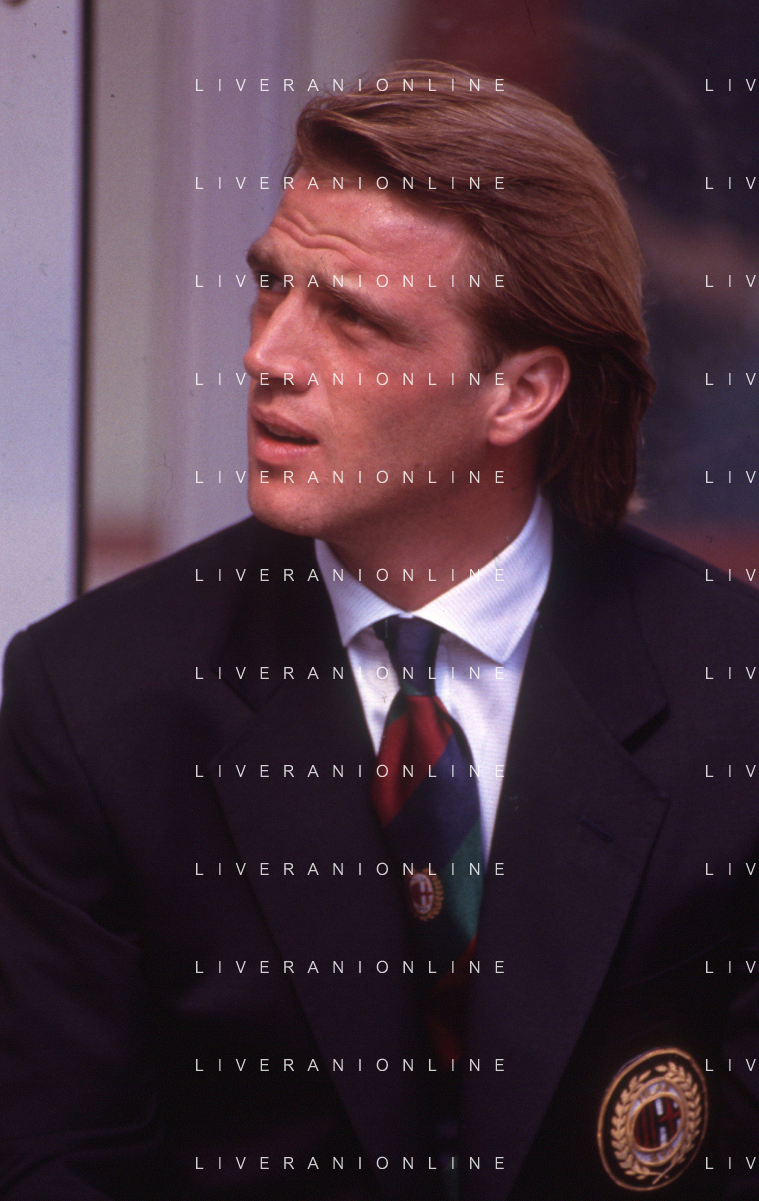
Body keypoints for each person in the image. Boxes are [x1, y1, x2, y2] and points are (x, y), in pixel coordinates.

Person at [1, 63, 757, 1201]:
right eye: (272, 286)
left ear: (521, 392)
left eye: (351, 315)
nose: (267, 354)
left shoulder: (732, 692)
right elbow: (59, 1159)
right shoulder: (93, 697)